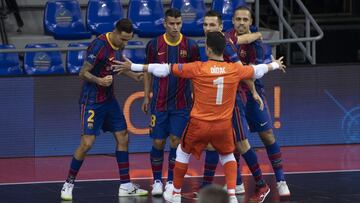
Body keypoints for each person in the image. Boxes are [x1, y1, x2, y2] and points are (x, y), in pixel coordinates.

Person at [114, 31, 286, 203]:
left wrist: (134, 66)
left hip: (199, 126)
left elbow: (163, 69)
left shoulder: (197, 68)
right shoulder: (235, 69)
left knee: (182, 152)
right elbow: (258, 71)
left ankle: (175, 193)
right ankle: (232, 195)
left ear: (209, 50)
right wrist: (275, 64)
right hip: (223, 127)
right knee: (228, 156)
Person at [60, 19, 148, 201]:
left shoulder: (118, 45)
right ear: (115, 32)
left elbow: (115, 67)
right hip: (91, 100)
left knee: (123, 137)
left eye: (128, 41)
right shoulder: (98, 45)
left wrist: (134, 75)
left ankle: (125, 185)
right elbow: (82, 72)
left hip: (109, 100)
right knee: (87, 144)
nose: (125, 44)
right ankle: (68, 184)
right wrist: (99, 81)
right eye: (123, 39)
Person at [201, 10, 271, 203]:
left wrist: (254, 92)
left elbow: (241, 71)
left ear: (221, 27)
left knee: (241, 144)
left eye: (212, 25)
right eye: (205, 25)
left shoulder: (226, 46)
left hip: (233, 100)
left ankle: (261, 184)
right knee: (213, 143)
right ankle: (207, 187)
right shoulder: (208, 45)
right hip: (217, 102)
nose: (208, 29)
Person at [226, 6, 290, 198]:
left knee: (268, 135)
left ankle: (280, 180)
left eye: (245, 20)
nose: (241, 23)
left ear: (251, 22)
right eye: (238, 19)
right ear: (233, 21)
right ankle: (237, 182)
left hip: (253, 94)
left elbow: (253, 73)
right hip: (232, 95)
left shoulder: (260, 45)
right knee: (236, 139)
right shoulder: (226, 39)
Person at [142, 8, 200, 196]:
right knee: (158, 142)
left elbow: (196, 74)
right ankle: (157, 181)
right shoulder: (154, 45)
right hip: (158, 103)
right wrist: (146, 95)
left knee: (176, 142)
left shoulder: (190, 46)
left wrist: (197, 98)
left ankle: (170, 182)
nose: (175, 27)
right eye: (171, 24)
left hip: (181, 103)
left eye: (178, 23)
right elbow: (147, 71)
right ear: (165, 24)